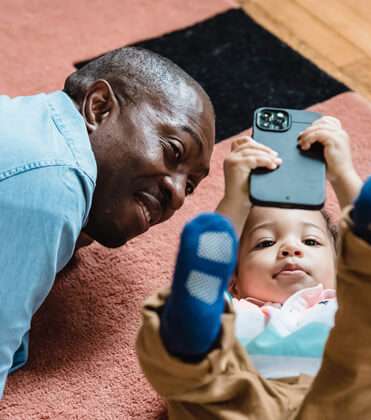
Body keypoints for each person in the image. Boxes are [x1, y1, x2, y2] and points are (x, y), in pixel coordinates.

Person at [137, 118, 371, 419]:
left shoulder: (347, 301)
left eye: (311, 241)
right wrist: (236, 199)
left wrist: (343, 174)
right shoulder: (238, 310)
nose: (290, 248)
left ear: (341, 267)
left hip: (343, 390)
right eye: (264, 243)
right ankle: (192, 341)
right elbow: (218, 246)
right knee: (198, 376)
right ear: (233, 278)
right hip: (250, 396)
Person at [0, 47, 215, 398]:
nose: (177, 195)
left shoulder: (31, 126)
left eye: (190, 186)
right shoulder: (55, 185)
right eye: (173, 151)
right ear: (99, 107)